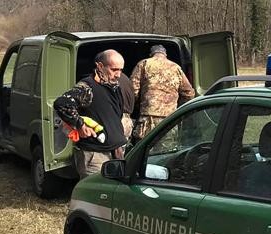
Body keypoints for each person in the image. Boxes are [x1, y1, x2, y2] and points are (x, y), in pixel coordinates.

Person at [54, 49, 128, 178]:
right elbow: (62, 103)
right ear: (100, 66)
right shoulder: (87, 87)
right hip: (95, 155)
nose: (118, 75)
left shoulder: (114, 87)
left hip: (115, 152)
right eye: (114, 69)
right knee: (96, 193)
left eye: (121, 70)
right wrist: (80, 125)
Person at [130, 44, 195, 143]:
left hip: (148, 117)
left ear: (152, 54)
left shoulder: (144, 64)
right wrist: (178, 108)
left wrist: (136, 107)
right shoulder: (176, 67)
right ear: (165, 54)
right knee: (167, 152)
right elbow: (189, 93)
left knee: (145, 150)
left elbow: (133, 91)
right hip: (170, 119)